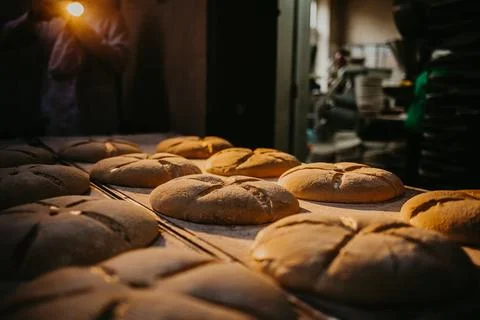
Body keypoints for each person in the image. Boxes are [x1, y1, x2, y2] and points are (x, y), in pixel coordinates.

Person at [0, 0, 129, 136]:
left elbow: (119, 60)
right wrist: (30, 17)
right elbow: (6, 38)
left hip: (96, 114)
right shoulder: (47, 17)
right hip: (55, 113)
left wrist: (84, 33)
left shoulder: (108, 17)